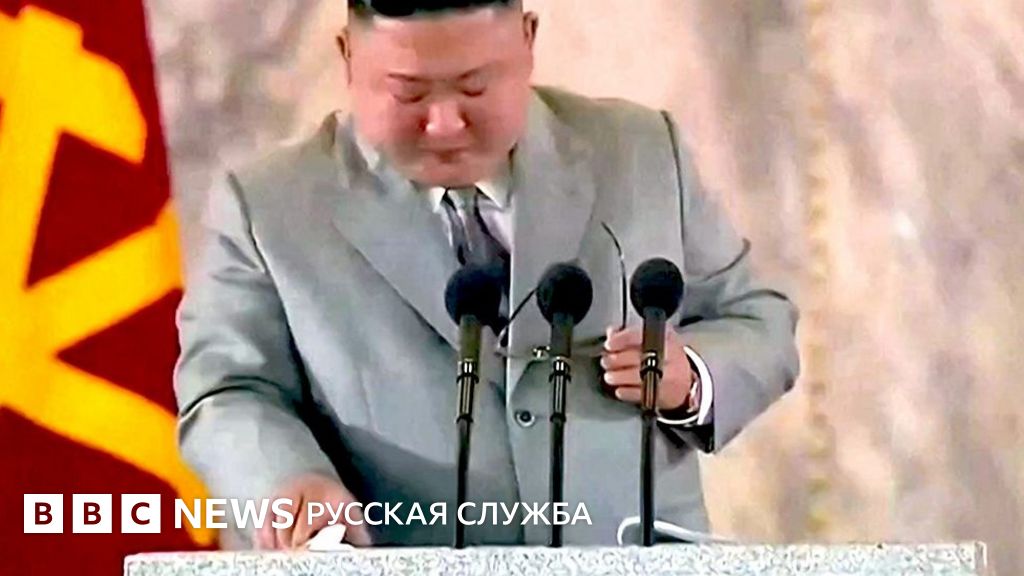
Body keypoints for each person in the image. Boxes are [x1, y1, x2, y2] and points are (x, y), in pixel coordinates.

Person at [174, 0, 799, 550]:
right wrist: (289, 479)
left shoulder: (640, 151)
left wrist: (693, 379)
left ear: (528, 41)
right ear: (347, 56)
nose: (445, 123)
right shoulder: (270, 207)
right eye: (409, 93)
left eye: (475, 88)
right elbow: (226, 389)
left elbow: (756, 320)